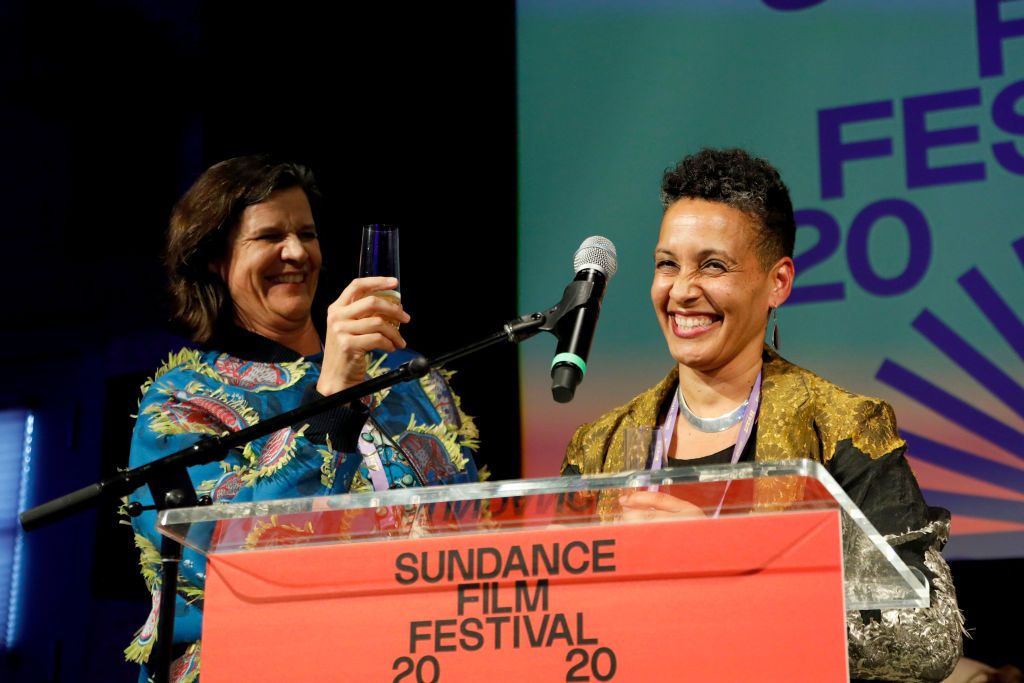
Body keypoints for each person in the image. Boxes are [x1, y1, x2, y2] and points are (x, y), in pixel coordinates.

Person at [561, 148, 963, 681]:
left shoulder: (843, 429)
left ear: (778, 282)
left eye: (713, 265)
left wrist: (729, 566)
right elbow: (554, 619)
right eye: (667, 264)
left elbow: (927, 638)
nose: (682, 290)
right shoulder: (600, 446)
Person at [124, 155, 480, 682]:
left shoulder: (411, 379)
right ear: (213, 258)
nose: (296, 252)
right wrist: (332, 399)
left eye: (306, 234)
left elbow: (473, 534)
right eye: (269, 236)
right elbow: (228, 556)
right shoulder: (183, 401)